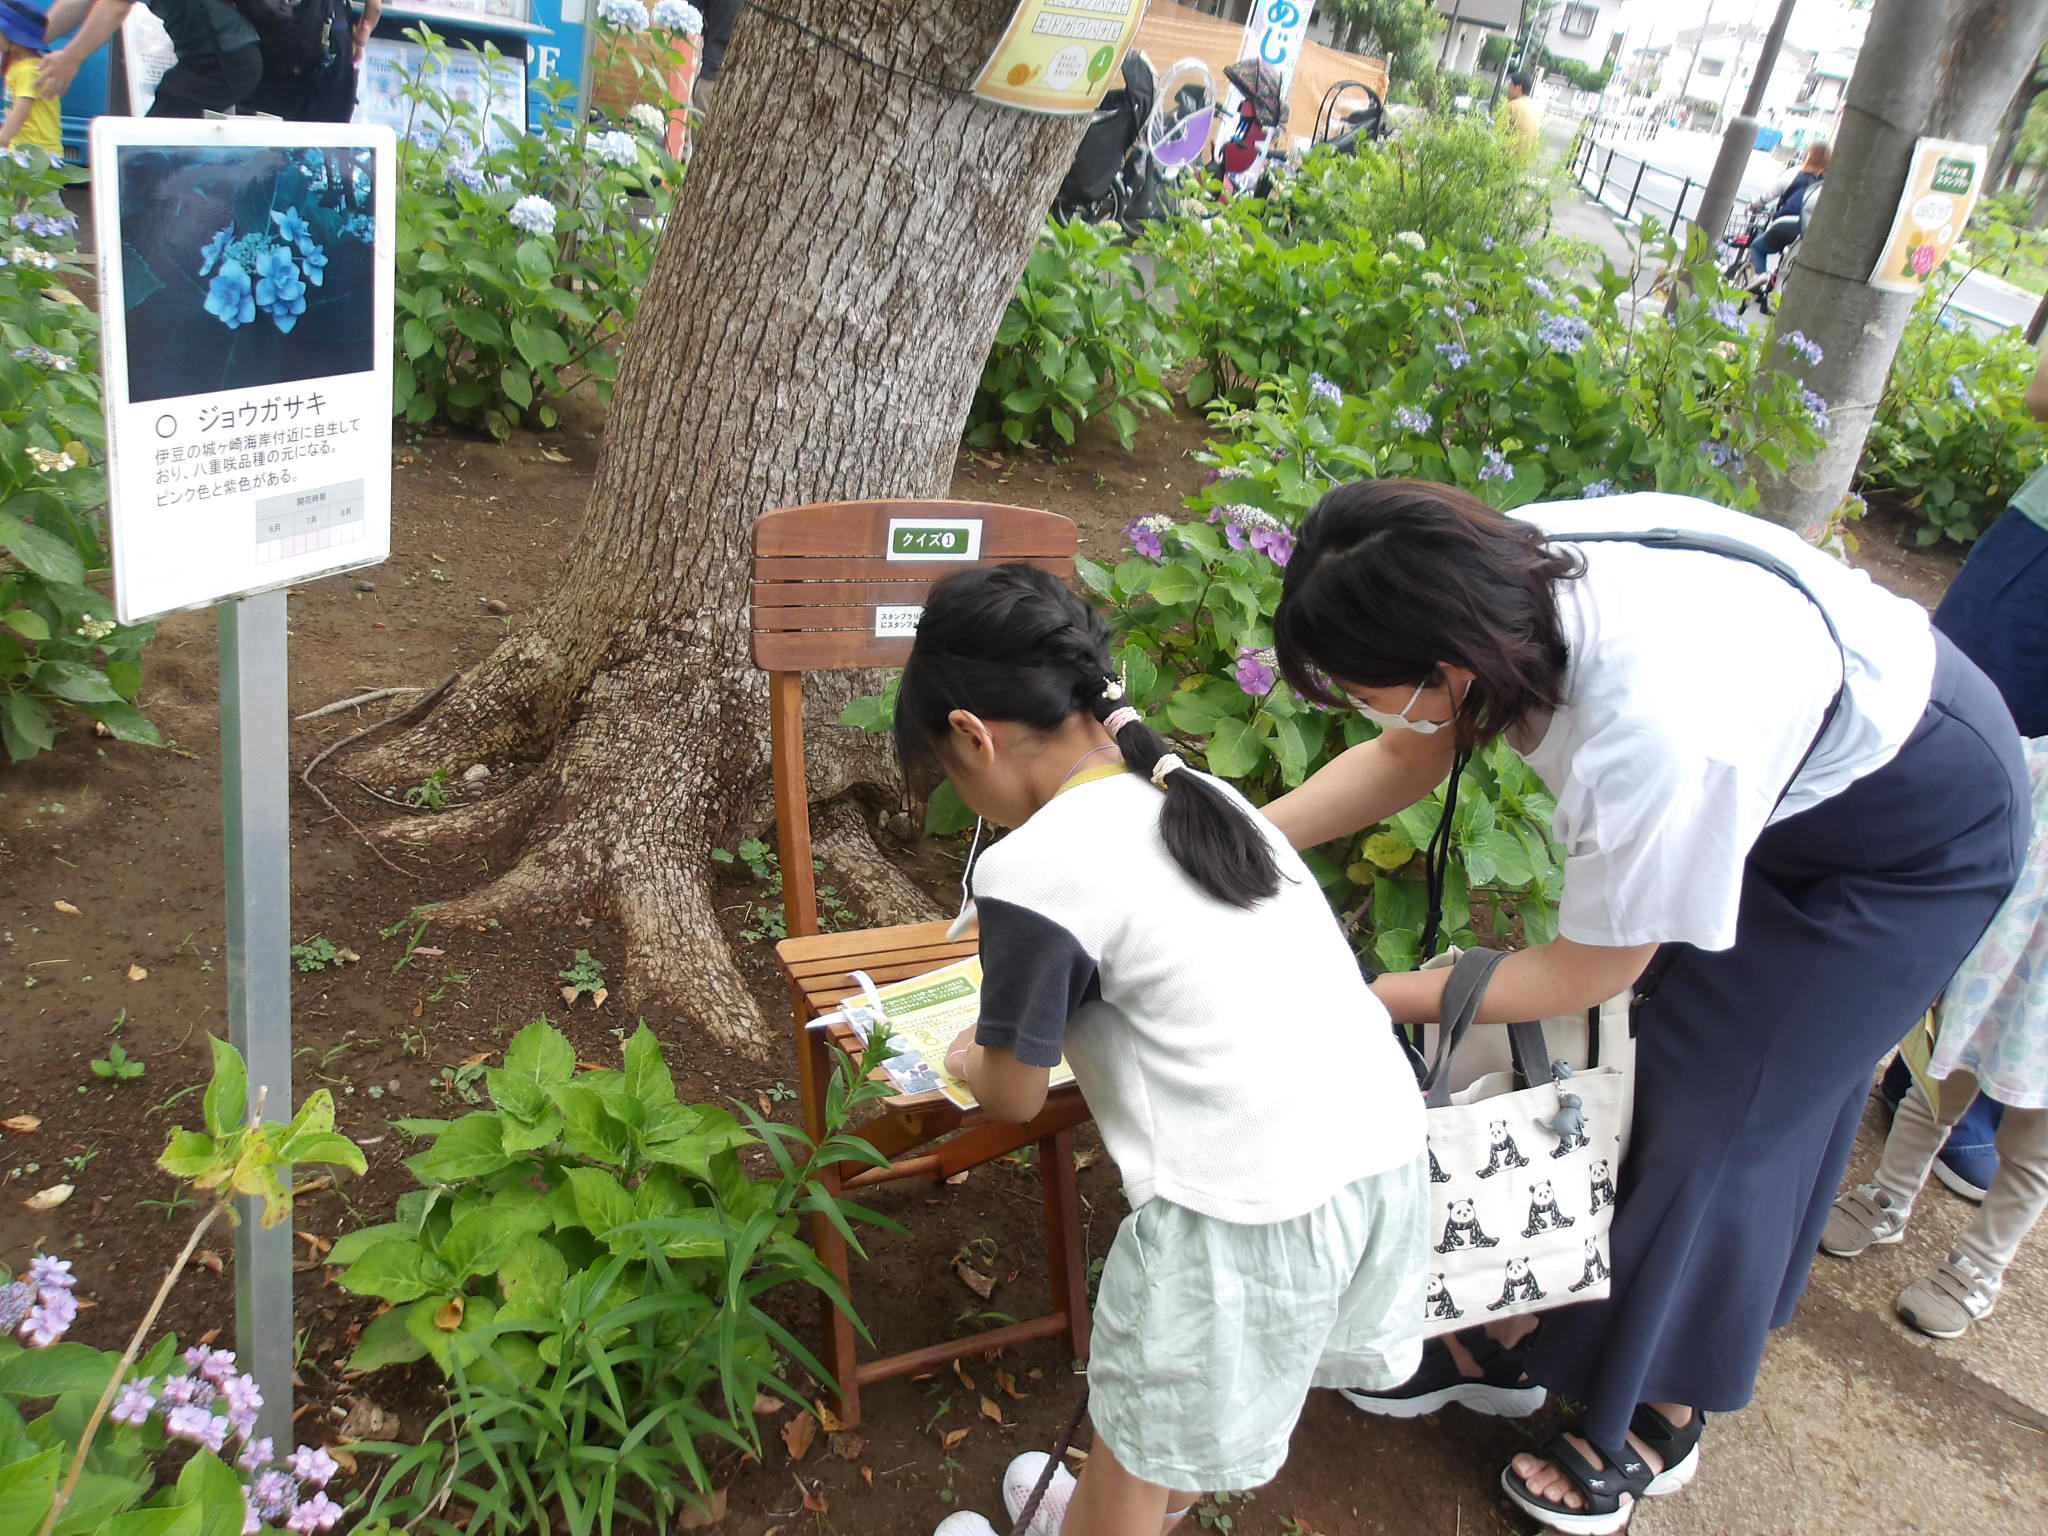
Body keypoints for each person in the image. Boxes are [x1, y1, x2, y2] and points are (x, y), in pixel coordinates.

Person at [1265, 481, 2026, 1536]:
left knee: (1718, 1112)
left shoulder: (1655, 732)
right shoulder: (1489, 582)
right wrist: (1240, 841)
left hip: (1907, 837)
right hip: (1781, 760)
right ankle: (1503, 1332)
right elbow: (1408, 747)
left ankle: (1657, 1410)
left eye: (1364, 688)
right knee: (1613, 1069)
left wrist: (1355, 1000)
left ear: (1446, 666)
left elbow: (1586, 974)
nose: (1365, 710)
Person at [895, 563, 1428, 1536]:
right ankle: (1103, 1509)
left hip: (1240, 1221)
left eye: (949, 770)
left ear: (972, 733)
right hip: (1375, 1166)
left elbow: (1011, 1096)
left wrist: (970, 1051)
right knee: (1170, 1430)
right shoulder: (1198, 799)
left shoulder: (1030, 869)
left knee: (1138, 1469)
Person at [1872, 349, 2048, 1209]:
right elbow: (2042, 391)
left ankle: (1967, 1063)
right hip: (2040, 561)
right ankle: (1898, 1040)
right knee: (1950, 776)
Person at [1821, 733, 2048, 1339]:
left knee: (2033, 1151)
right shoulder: (2039, 764)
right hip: (1991, 978)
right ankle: (1889, 1197)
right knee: (1932, 1088)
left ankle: (1980, 1266)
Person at [37, 0, 260, 117]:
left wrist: (71, 58)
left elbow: (115, 6)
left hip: (223, 61)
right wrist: (25, 42)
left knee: (155, 151)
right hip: (209, 60)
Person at [1750, 140, 1829, 278]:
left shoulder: (1794, 172)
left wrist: (1754, 205)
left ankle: (1761, 279)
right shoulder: (1829, 181)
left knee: (1757, 247)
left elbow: (1769, 195)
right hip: (1811, 229)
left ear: (1808, 155)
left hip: (1786, 223)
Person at [0, 0, 60, 159]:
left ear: (13, 34)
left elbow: (21, 112)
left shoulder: (29, 70)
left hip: (38, 154)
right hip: (22, 149)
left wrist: (2, 139)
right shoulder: (19, 66)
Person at [1501, 69, 1540, 154]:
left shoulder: (1512, 105)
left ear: (1518, 88)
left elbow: (1499, 132)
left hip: (1509, 156)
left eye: (1510, 86)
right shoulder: (1534, 107)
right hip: (1525, 160)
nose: (1508, 89)